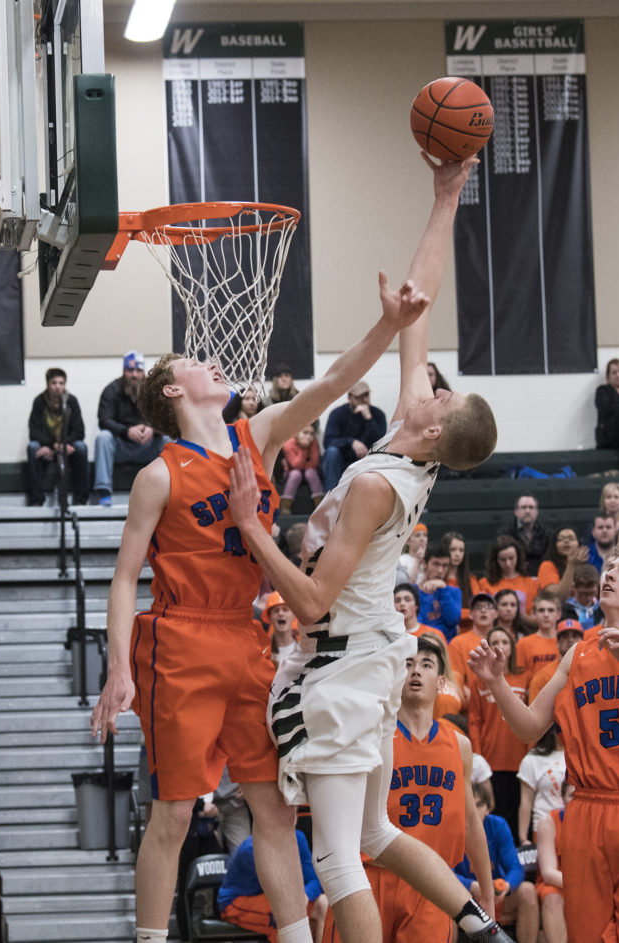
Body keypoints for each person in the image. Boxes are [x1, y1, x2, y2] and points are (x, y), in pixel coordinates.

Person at [89, 230, 437, 943]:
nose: (216, 363)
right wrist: (116, 667)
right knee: (176, 813)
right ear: (172, 389)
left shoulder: (261, 435)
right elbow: (126, 576)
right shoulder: (158, 475)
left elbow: (336, 380)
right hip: (180, 640)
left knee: (275, 813)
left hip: (248, 638)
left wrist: (389, 325)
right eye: (197, 362)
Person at [228, 155, 509, 943]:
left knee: (342, 857)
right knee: (376, 836)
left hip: (345, 660)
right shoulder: (413, 441)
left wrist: (255, 526)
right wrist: (446, 194)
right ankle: (481, 926)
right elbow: (419, 310)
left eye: (442, 396)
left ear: (435, 425)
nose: (432, 386)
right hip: (372, 650)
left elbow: (311, 601)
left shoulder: (378, 486)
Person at [469, 537, 619, 942]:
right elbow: (527, 727)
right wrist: (497, 683)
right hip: (585, 809)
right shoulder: (577, 655)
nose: (609, 574)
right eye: (609, 568)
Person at [321, 632, 495, 943]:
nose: (416, 671)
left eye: (427, 665)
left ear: (441, 683)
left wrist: (487, 892)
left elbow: (470, 822)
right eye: (408, 664)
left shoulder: (459, 745)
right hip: (366, 876)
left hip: (431, 886)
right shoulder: (369, 735)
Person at [454, 783, 540, 943]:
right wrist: (472, 886)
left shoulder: (498, 825)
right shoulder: (450, 827)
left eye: (479, 805)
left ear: (487, 808)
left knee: (528, 891)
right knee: (440, 899)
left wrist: (507, 886)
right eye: (469, 805)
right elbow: (443, 872)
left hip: (496, 896)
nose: (474, 810)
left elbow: (515, 867)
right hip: (462, 897)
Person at [467, 627, 530, 836]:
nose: (500, 646)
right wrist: (478, 754)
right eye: (495, 642)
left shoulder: (526, 677)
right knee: (498, 816)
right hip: (491, 758)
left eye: (504, 642)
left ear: (512, 648)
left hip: (520, 756)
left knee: (519, 815)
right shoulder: (480, 681)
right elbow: (475, 721)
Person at [219, 827, 328, 943]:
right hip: (238, 902)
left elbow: (315, 881)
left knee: (323, 903)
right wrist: (299, 899)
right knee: (288, 916)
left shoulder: (298, 838)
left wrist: (306, 894)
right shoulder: (251, 849)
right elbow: (280, 892)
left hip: (281, 896)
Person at [93, 351, 165, 507]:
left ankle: (169, 493)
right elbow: (104, 421)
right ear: (124, 371)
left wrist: (153, 429)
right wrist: (126, 431)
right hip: (122, 446)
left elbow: (167, 419)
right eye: (130, 370)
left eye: (138, 371)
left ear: (143, 372)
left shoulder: (154, 391)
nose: (134, 375)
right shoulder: (111, 390)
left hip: (147, 446)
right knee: (103, 438)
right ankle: (104, 492)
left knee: (167, 440)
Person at [26, 366, 89, 506]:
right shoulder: (39, 402)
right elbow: (34, 431)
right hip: (48, 446)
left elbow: (79, 431)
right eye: (54, 383)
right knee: (32, 447)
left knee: (81, 448)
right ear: (47, 385)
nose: (57, 387)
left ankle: (81, 499)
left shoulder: (71, 401)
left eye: (61, 383)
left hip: (67, 446)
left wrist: (63, 445)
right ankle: (36, 500)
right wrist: (54, 445)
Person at [320, 380, 387, 490]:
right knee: (331, 452)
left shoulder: (378, 414)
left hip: (367, 459)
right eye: (360, 396)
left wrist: (369, 419)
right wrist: (351, 442)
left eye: (366, 395)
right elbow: (328, 442)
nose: (364, 400)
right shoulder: (337, 413)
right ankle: (330, 496)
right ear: (350, 398)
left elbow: (380, 442)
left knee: (381, 456)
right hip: (343, 459)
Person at [534, 781, 575, 943]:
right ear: (562, 799)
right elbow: (548, 873)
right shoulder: (548, 822)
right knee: (552, 896)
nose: (576, 800)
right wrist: (581, 887)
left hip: (588, 885)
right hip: (557, 884)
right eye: (572, 795)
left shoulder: (597, 821)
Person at [516, 726, 566, 845]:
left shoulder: (579, 755)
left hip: (576, 827)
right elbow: (526, 802)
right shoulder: (533, 759)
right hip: (544, 828)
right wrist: (523, 838)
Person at [480, 535, 538, 629]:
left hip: (523, 631)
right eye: (503, 560)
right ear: (495, 560)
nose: (508, 564)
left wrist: (517, 614)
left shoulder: (530, 583)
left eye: (511, 558)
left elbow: (536, 619)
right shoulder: (484, 583)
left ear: (518, 557)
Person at [448, 592, 497, 694]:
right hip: (470, 700)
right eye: (478, 607)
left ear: (496, 614)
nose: (483, 610)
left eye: (488, 607)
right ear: (470, 614)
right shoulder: (457, 643)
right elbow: (455, 678)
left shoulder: (504, 640)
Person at [527, 619, 584, 703]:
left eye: (575, 636)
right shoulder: (543, 675)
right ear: (557, 643)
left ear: (583, 641)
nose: (570, 640)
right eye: (565, 637)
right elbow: (534, 712)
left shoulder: (591, 669)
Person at [416, 544, 462, 642]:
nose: (440, 570)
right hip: (420, 644)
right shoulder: (414, 591)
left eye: (445, 565)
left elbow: (453, 620)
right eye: (436, 564)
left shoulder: (454, 591)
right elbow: (416, 624)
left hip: (447, 647)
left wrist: (444, 590)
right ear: (425, 563)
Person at [497, 493, 551, 574]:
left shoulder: (547, 533)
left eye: (531, 507)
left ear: (537, 512)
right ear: (516, 511)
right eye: (523, 507)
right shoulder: (504, 534)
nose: (527, 511)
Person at [442, 530, 482, 630]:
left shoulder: (471, 580)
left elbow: (478, 609)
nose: (457, 554)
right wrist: (466, 613)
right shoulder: (438, 580)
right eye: (453, 550)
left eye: (461, 550)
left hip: (467, 630)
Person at [515, 592, 561, 677]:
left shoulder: (566, 642)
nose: (546, 615)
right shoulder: (523, 644)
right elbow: (520, 678)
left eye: (551, 610)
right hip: (534, 689)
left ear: (559, 614)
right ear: (534, 614)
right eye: (541, 610)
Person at [280, 425, 324, 515]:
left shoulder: (313, 442)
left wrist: (305, 465)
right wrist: (303, 449)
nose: (309, 436)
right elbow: (295, 465)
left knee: (310, 473)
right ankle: (285, 505)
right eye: (305, 433)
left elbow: (314, 464)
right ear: (296, 433)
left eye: (311, 434)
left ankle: (320, 504)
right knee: (296, 474)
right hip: (291, 472)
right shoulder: (288, 443)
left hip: (309, 472)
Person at [535, 526, 588, 600]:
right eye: (561, 539)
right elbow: (557, 598)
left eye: (571, 538)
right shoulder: (547, 566)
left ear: (579, 543)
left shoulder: (586, 564)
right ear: (554, 545)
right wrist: (571, 565)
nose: (566, 541)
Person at [560, 563, 602, 631]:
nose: (588, 598)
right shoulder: (563, 611)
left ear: (598, 587)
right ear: (574, 588)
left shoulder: (602, 610)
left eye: (592, 593)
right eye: (583, 594)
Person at [262, 591, 300, 666]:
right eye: (276, 611)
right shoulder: (261, 652)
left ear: (293, 616)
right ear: (269, 617)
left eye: (285, 609)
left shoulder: (304, 652)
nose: (280, 613)